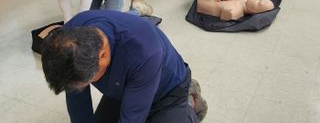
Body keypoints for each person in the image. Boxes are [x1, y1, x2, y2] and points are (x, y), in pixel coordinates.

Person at [41, 10, 208, 123]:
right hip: (123, 87)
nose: (80, 88)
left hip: (168, 90)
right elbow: (77, 97)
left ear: (103, 55)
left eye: (86, 82)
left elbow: (132, 119)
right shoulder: (68, 39)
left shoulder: (144, 51)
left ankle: (191, 102)